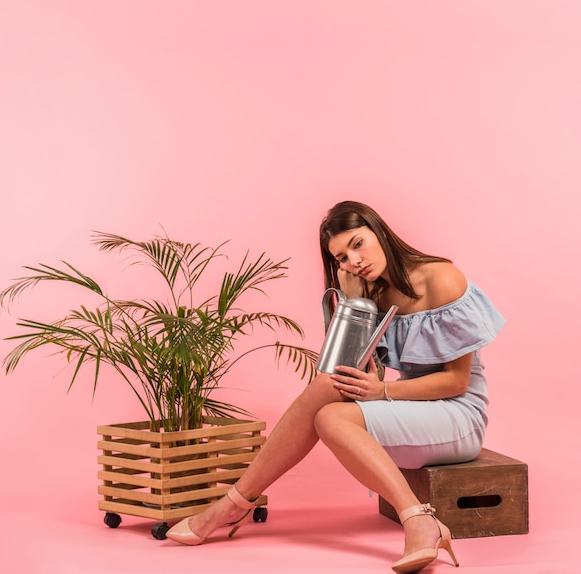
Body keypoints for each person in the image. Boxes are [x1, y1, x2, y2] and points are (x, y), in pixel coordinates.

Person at [166, 200, 505, 574]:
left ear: (380, 232)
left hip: (459, 416)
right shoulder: (372, 294)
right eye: (341, 257)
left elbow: (456, 381)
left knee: (330, 408)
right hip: (413, 409)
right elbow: (343, 372)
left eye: (358, 244)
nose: (353, 261)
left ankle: (232, 504)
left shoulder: (441, 278)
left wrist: (382, 393)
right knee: (328, 398)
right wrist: (356, 304)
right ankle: (418, 521)